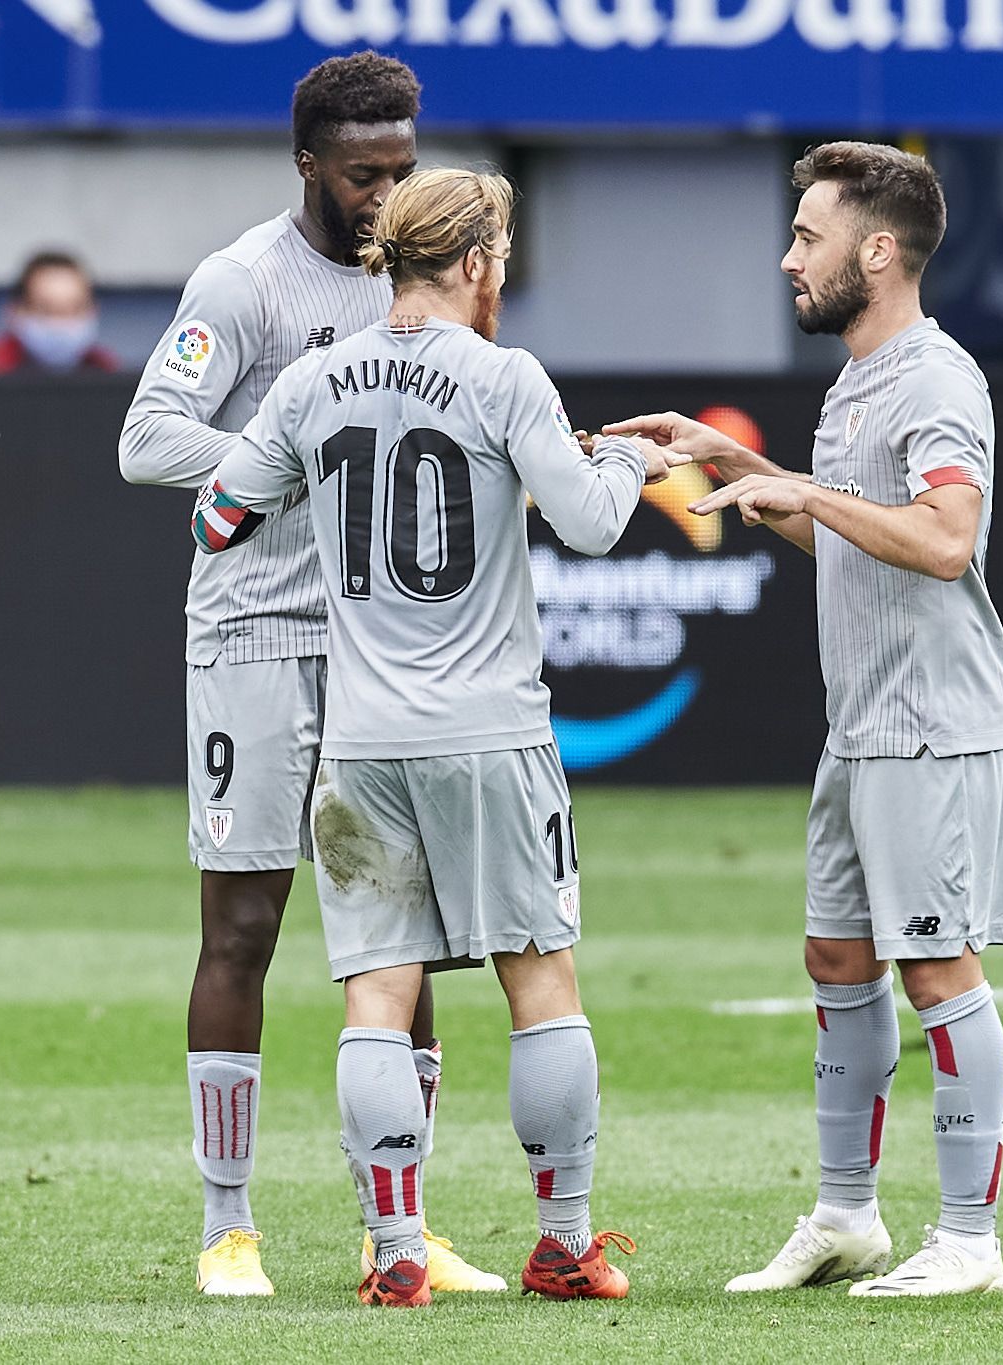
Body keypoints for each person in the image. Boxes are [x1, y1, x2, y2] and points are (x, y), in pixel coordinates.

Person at [192, 166, 676, 1308]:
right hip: (491, 734)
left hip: (357, 741)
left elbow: (219, 515)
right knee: (539, 977)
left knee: (376, 992)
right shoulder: (503, 376)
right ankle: (561, 1243)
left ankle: (396, 1251)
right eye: (497, 259)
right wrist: (625, 458)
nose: (498, 277)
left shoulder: (313, 380)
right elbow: (598, 524)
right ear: (469, 263)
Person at [606, 142, 1003, 1298]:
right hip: (862, 729)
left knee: (937, 968)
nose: (787, 256)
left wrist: (808, 490)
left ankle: (968, 1243)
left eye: (807, 235)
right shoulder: (858, 377)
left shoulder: (937, 380)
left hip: (935, 727)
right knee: (836, 958)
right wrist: (736, 462)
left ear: (876, 252)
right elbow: (849, 534)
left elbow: (944, 544)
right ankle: (847, 1217)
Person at [119, 51, 499, 1298]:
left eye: (400, 172)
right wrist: (288, 455)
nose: (385, 201)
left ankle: (404, 1227)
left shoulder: (424, 283)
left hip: (378, 647)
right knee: (244, 926)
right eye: (361, 176)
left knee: (405, 934)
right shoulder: (242, 283)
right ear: (307, 168)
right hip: (251, 640)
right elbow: (146, 437)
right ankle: (228, 1225)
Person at [0, 250, 119, 374]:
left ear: (94, 311)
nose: (61, 325)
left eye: (74, 310)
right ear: (14, 311)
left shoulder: (105, 370)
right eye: (46, 310)